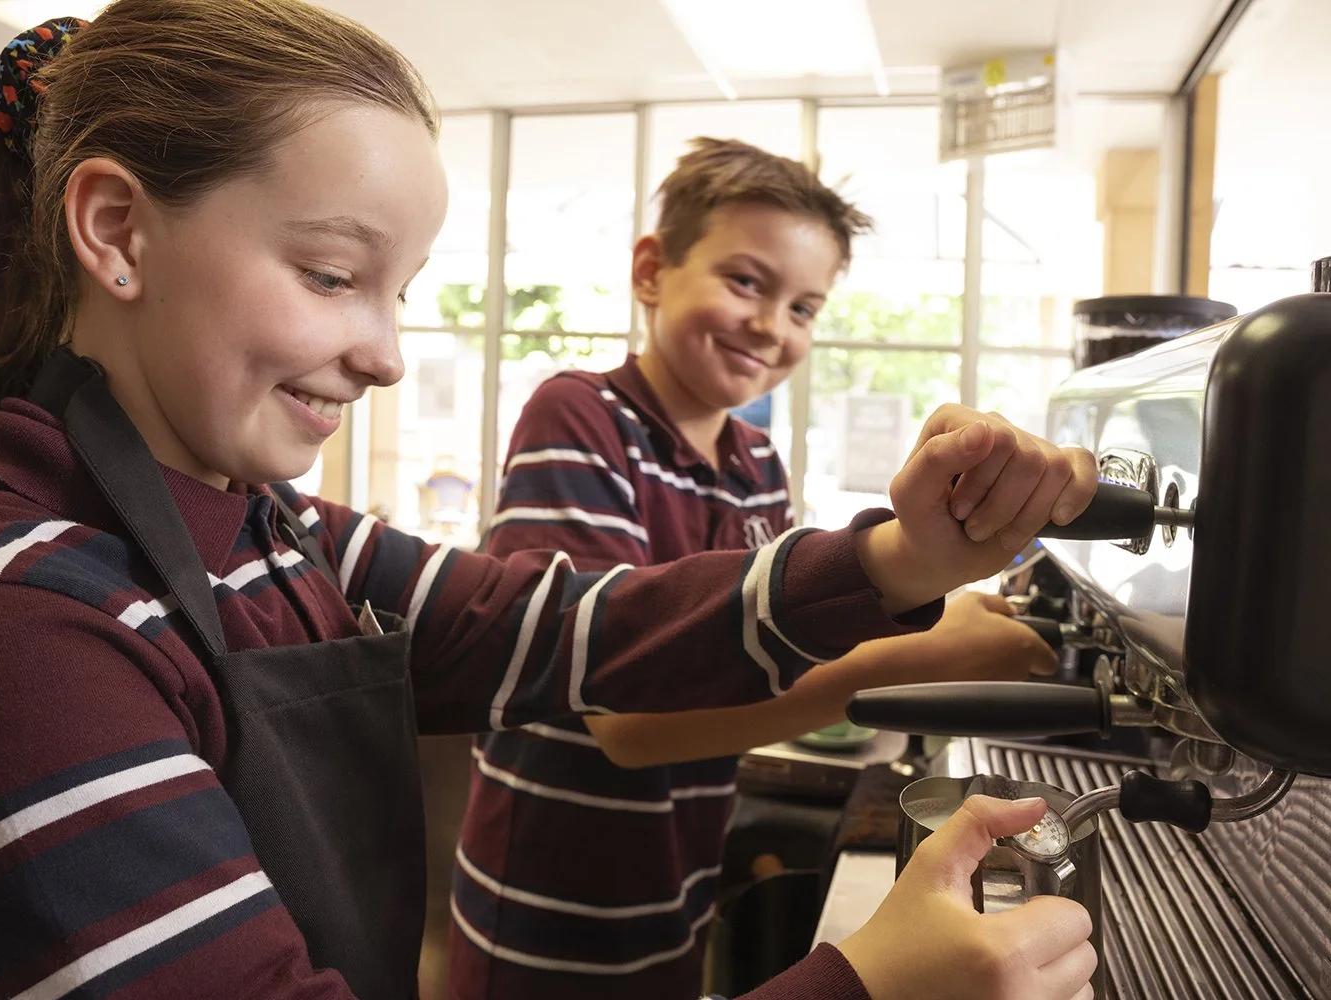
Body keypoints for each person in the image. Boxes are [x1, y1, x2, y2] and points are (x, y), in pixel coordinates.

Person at [0, 3, 1098, 999]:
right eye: (331, 275)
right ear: (116, 232)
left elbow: (563, 625)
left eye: (399, 292)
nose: (386, 357)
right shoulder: (17, 631)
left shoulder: (280, 527)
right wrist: (866, 984)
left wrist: (901, 558)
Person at [448, 139, 1064, 1000]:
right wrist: (919, 655)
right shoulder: (581, 416)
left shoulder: (756, 464)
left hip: (677, 887)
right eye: (746, 282)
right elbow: (624, 721)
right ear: (652, 271)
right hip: (548, 908)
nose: (774, 327)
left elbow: (766, 662)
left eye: (804, 307)